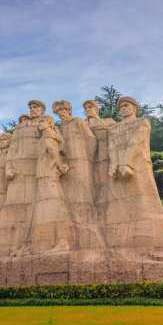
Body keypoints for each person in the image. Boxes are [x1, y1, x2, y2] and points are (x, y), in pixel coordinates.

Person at [106, 97, 163, 263]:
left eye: (126, 105)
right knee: (120, 206)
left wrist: (126, 161)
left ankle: (158, 244)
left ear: (135, 108)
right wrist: (114, 163)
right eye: (121, 106)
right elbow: (112, 146)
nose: (123, 109)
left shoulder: (142, 122)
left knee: (145, 202)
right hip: (118, 170)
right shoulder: (114, 128)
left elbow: (136, 142)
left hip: (137, 165)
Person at [0, 100, 53, 256]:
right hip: (18, 171)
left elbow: (52, 142)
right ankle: (6, 246)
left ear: (42, 110)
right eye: (31, 107)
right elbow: (12, 149)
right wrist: (8, 167)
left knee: (32, 208)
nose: (33, 110)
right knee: (13, 208)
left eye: (36, 107)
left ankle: (28, 244)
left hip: (35, 168)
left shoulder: (46, 124)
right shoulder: (19, 128)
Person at [53, 100, 105, 250]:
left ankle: (87, 227)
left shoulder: (78, 122)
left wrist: (87, 159)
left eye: (64, 110)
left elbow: (91, 140)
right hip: (65, 165)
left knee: (83, 193)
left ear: (69, 111)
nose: (61, 113)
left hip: (81, 161)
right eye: (58, 112)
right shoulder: (58, 127)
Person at [27, 116, 75, 253]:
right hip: (44, 173)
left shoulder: (48, 135)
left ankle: (63, 241)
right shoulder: (46, 136)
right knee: (49, 207)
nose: (40, 124)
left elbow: (53, 151)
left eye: (42, 121)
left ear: (49, 123)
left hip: (48, 172)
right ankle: (50, 242)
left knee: (55, 206)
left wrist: (60, 166)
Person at [83, 100, 117, 228]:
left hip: (105, 157)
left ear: (97, 109)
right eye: (86, 108)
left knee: (105, 185)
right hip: (87, 160)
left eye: (90, 107)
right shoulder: (81, 124)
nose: (88, 109)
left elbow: (116, 137)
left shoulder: (108, 121)